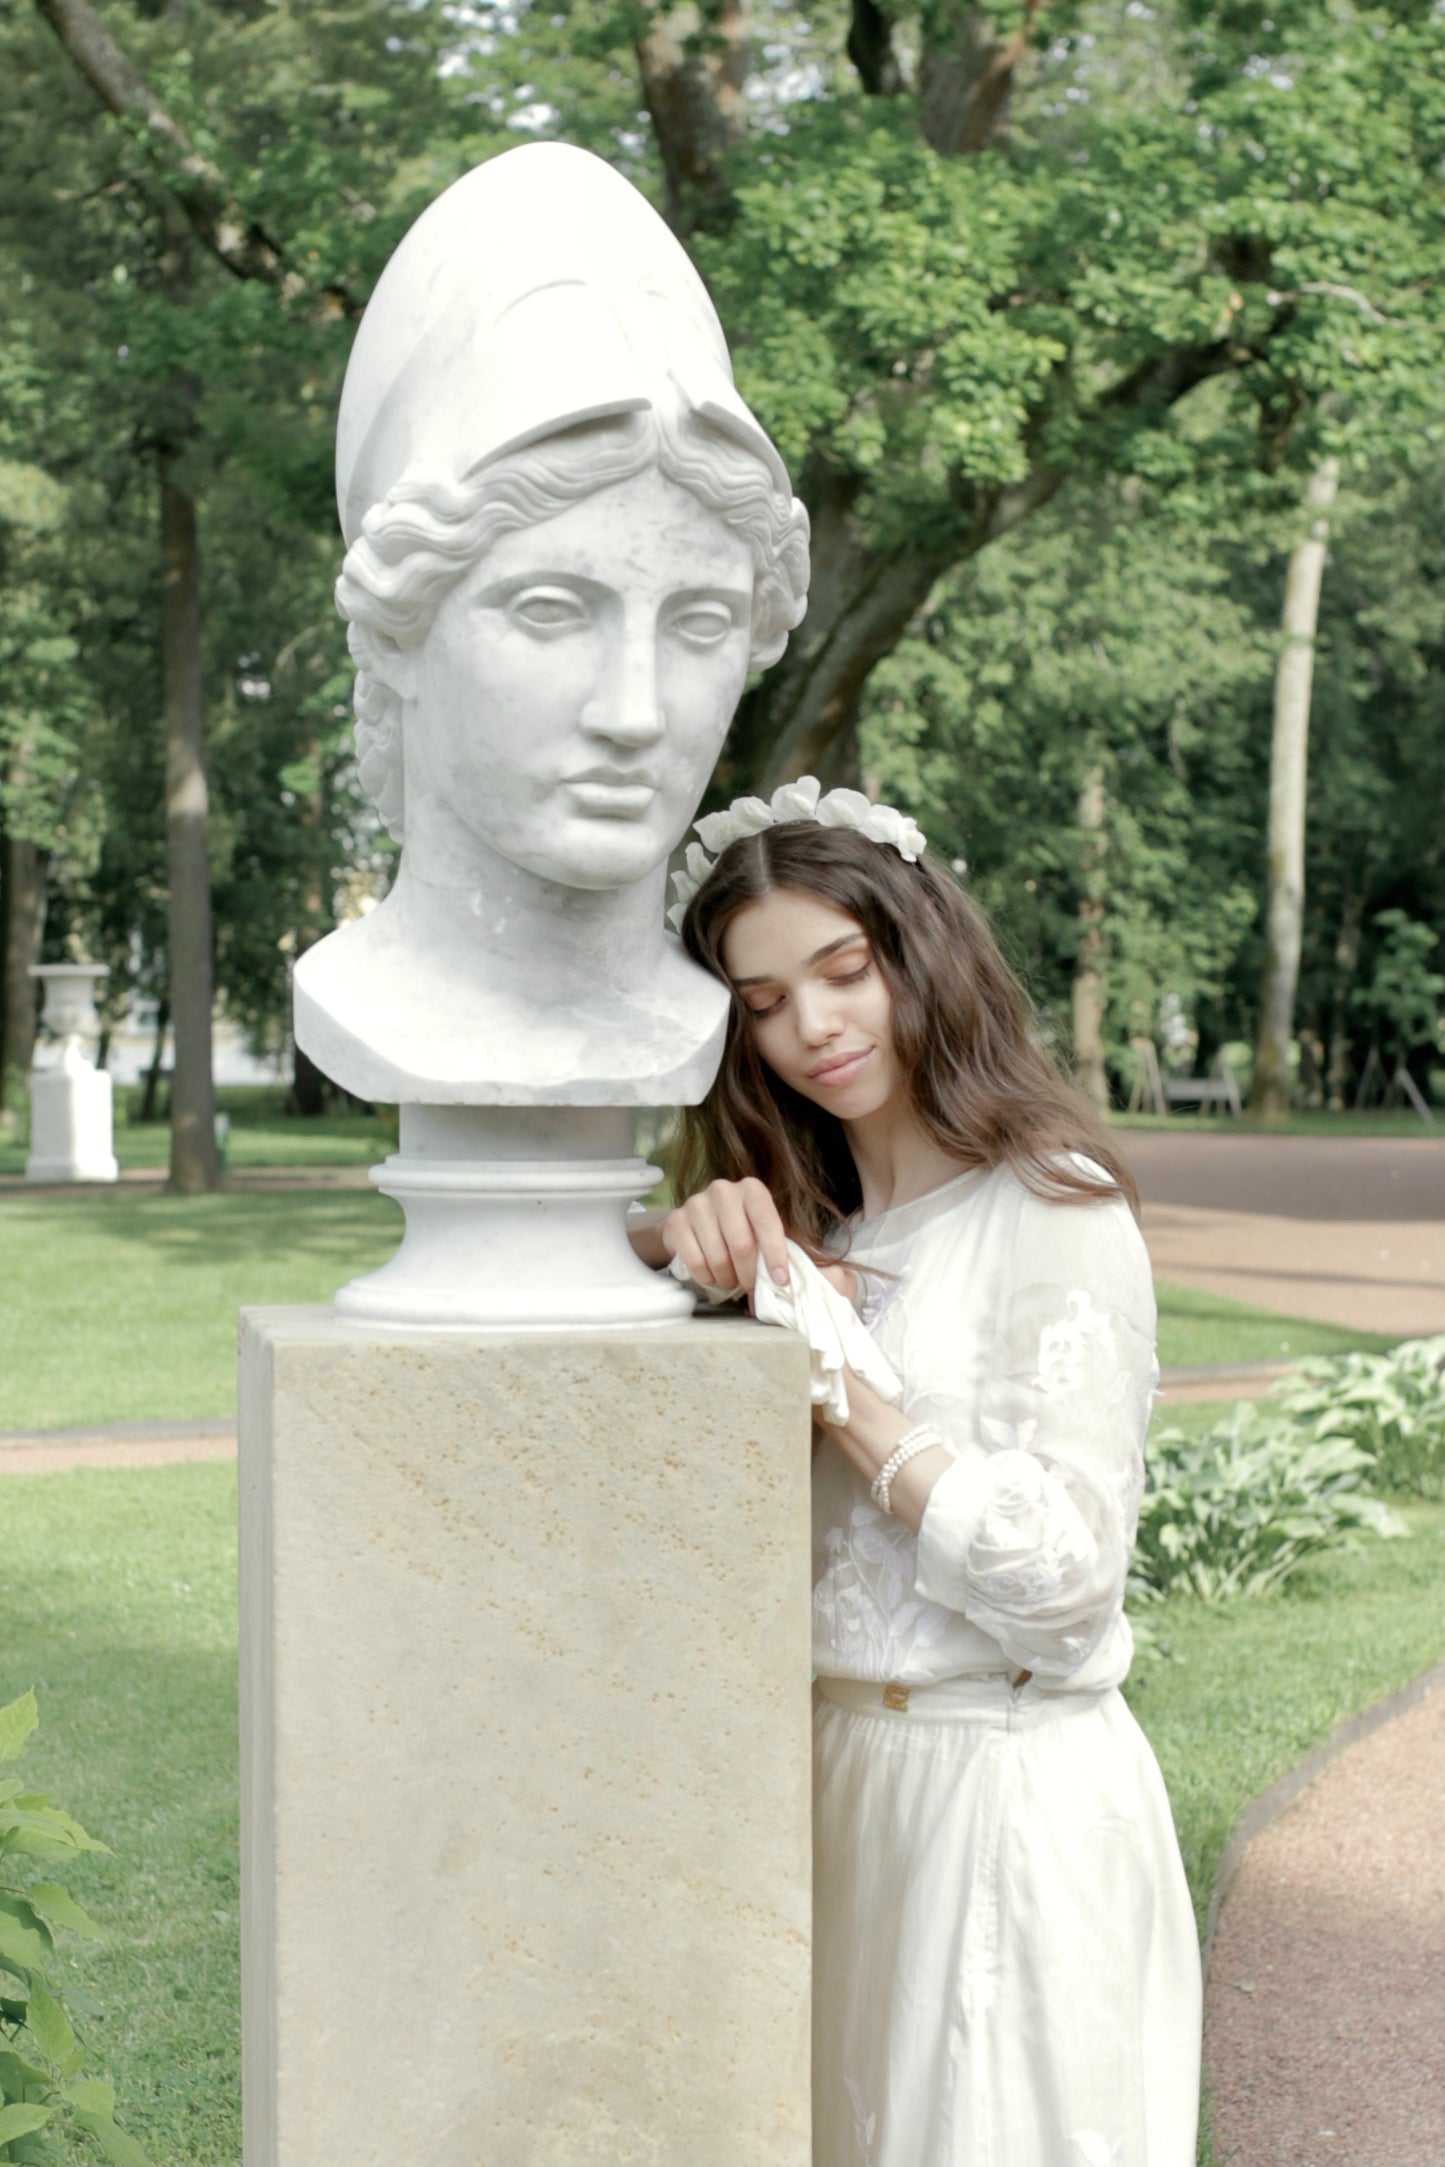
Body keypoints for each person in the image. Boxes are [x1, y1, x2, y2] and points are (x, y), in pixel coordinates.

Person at [630, 777, 1202, 2167]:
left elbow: (1065, 1588)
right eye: (764, 1002)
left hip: (1000, 1790)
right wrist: (677, 1242)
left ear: (919, 954)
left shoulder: (1053, 1208)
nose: (814, 1027)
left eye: (845, 971)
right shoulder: (812, 1231)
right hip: (830, 1791)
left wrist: (841, 1389)